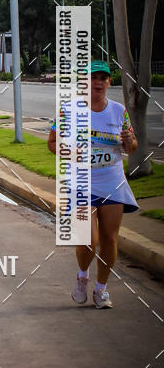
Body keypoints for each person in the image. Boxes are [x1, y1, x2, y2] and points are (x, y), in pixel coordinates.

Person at [47, 60, 139, 309]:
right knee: (88, 238)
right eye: (92, 77)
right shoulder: (68, 110)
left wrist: (129, 140)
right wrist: (71, 152)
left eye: (102, 77)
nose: (98, 82)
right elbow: (52, 143)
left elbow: (131, 147)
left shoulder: (119, 111)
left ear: (109, 82)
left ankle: (101, 289)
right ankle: (82, 276)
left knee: (109, 239)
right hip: (81, 184)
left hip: (112, 182)